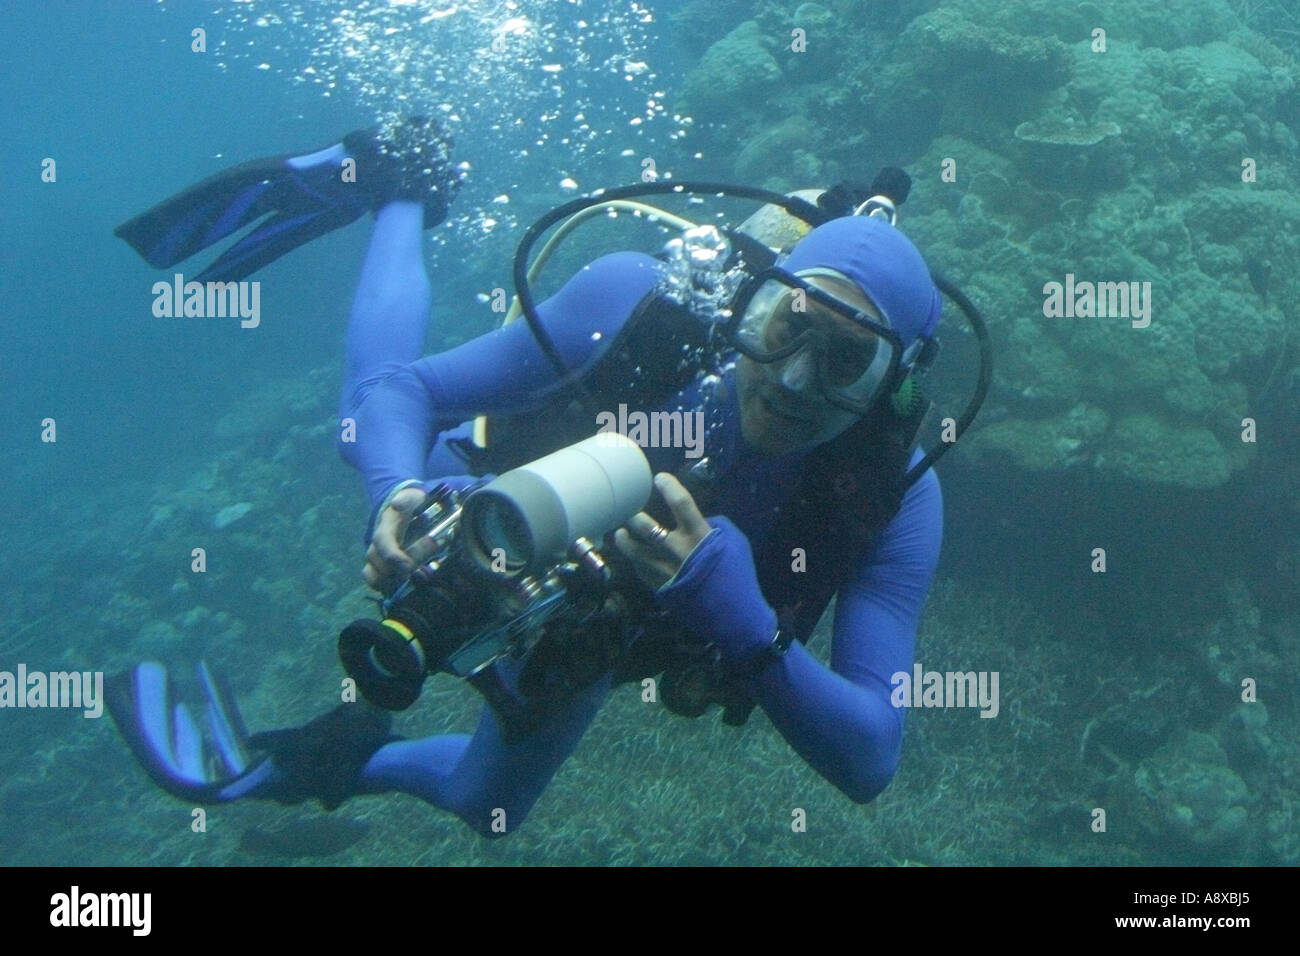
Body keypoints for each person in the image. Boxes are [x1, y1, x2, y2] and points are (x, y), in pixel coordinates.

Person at [108, 118, 944, 837]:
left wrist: (746, 627)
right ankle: (399, 182)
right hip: (495, 494)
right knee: (361, 431)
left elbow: (871, 757)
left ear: (896, 383)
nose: (795, 381)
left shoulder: (895, 496)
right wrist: (392, 494)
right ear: (748, 306)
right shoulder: (639, 302)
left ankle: (335, 757)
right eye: (785, 328)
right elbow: (402, 394)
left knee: (486, 803)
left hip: (605, 619)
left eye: (848, 361)